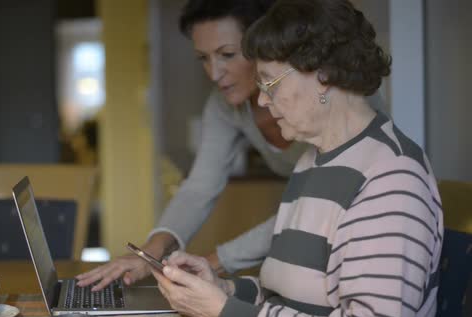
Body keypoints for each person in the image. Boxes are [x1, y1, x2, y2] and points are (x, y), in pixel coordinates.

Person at [151, 0, 442, 317]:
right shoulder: (312, 162)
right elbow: (285, 296)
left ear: (324, 75)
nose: (260, 100)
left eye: (269, 83)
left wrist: (223, 311)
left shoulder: (392, 178)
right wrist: (223, 289)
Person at [76, 0, 384, 291]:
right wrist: (150, 252)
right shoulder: (225, 106)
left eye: (227, 54)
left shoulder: (327, 109)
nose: (214, 72)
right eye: (203, 58)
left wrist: (214, 264)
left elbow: (309, 207)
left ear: (265, 46)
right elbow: (200, 187)